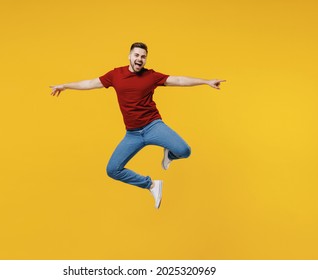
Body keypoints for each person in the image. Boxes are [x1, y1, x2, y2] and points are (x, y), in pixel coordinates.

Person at [50, 42, 225, 209]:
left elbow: (178, 80)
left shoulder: (151, 76)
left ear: (145, 59)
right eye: (136, 55)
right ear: (129, 56)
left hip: (153, 126)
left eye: (143, 56)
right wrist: (65, 86)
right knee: (112, 170)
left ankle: (170, 155)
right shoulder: (115, 75)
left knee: (184, 151)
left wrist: (206, 81)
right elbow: (90, 83)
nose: (139, 59)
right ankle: (150, 185)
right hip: (132, 134)